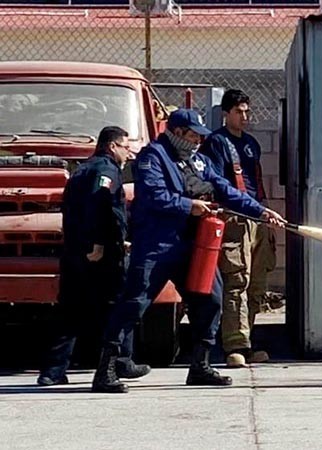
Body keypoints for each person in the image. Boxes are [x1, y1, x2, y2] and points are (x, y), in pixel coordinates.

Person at [91, 109, 285, 394]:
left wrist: (260, 211)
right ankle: (107, 369)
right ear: (178, 132)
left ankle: (201, 366)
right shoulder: (152, 157)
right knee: (134, 303)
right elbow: (154, 195)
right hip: (156, 245)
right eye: (193, 135)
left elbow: (224, 189)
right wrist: (188, 206)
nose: (197, 140)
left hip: (192, 247)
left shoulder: (198, 161)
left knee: (211, 299)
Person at [37, 126, 150, 386]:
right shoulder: (106, 171)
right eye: (125, 147)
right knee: (119, 306)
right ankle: (121, 362)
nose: (128, 153)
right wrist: (99, 243)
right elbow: (99, 206)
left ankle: (53, 371)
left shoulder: (81, 170)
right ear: (112, 146)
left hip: (74, 251)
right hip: (101, 255)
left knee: (70, 310)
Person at [199, 89, 276, 368]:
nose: (244, 116)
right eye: (238, 111)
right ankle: (235, 345)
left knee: (257, 283)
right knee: (236, 281)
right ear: (226, 113)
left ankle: (249, 340)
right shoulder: (216, 143)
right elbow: (221, 186)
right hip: (235, 219)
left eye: (247, 111)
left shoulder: (252, 144)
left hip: (258, 218)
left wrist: (265, 214)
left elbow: (257, 180)